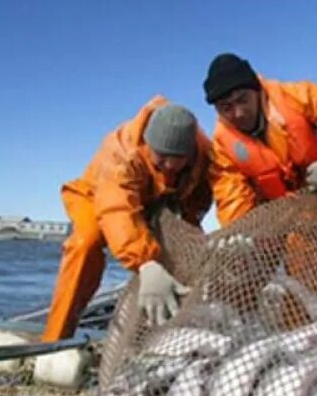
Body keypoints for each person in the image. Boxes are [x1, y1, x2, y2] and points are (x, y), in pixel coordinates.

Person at [41, 99, 212, 342]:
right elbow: (116, 209)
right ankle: (55, 338)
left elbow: (199, 200)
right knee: (85, 243)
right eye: (161, 158)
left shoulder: (205, 153)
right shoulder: (122, 152)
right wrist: (146, 263)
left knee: (182, 256)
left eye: (178, 158)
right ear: (148, 144)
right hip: (97, 197)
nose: (170, 165)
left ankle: (160, 334)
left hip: (154, 206)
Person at [203, 53, 317, 227]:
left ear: (257, 91)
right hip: (275, 220)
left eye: (243, 100)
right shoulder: (222, 147)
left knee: (308, 247)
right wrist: (240, 231)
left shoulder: (296, 97)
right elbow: (231, 196)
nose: (238, 113)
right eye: (226, 107)